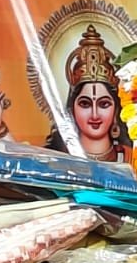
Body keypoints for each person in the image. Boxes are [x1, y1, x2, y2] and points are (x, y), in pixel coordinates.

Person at [45, 24, 128, 161]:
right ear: (72, 109)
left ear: (116, 109)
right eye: (85, 104)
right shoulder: (55, 159)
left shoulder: (132, 158)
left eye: (104, 104)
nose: (95, 115)